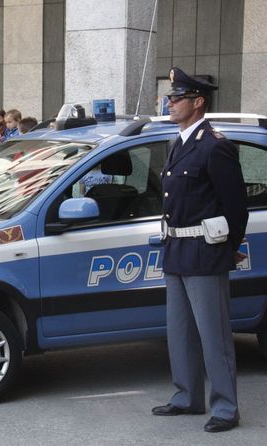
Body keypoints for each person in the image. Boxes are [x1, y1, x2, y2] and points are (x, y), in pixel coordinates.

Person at [151, 67, 248, 433]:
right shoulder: (178, 142)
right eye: (171, 97)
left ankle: (225, 407)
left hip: (205, 254)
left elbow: (235, 208)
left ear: (198, 102)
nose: (170, 103)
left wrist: (227, 251)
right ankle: (187, 396)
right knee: (179, 332)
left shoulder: (215, 145)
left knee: (214, 335)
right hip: (176, 249)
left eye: (177, 98)